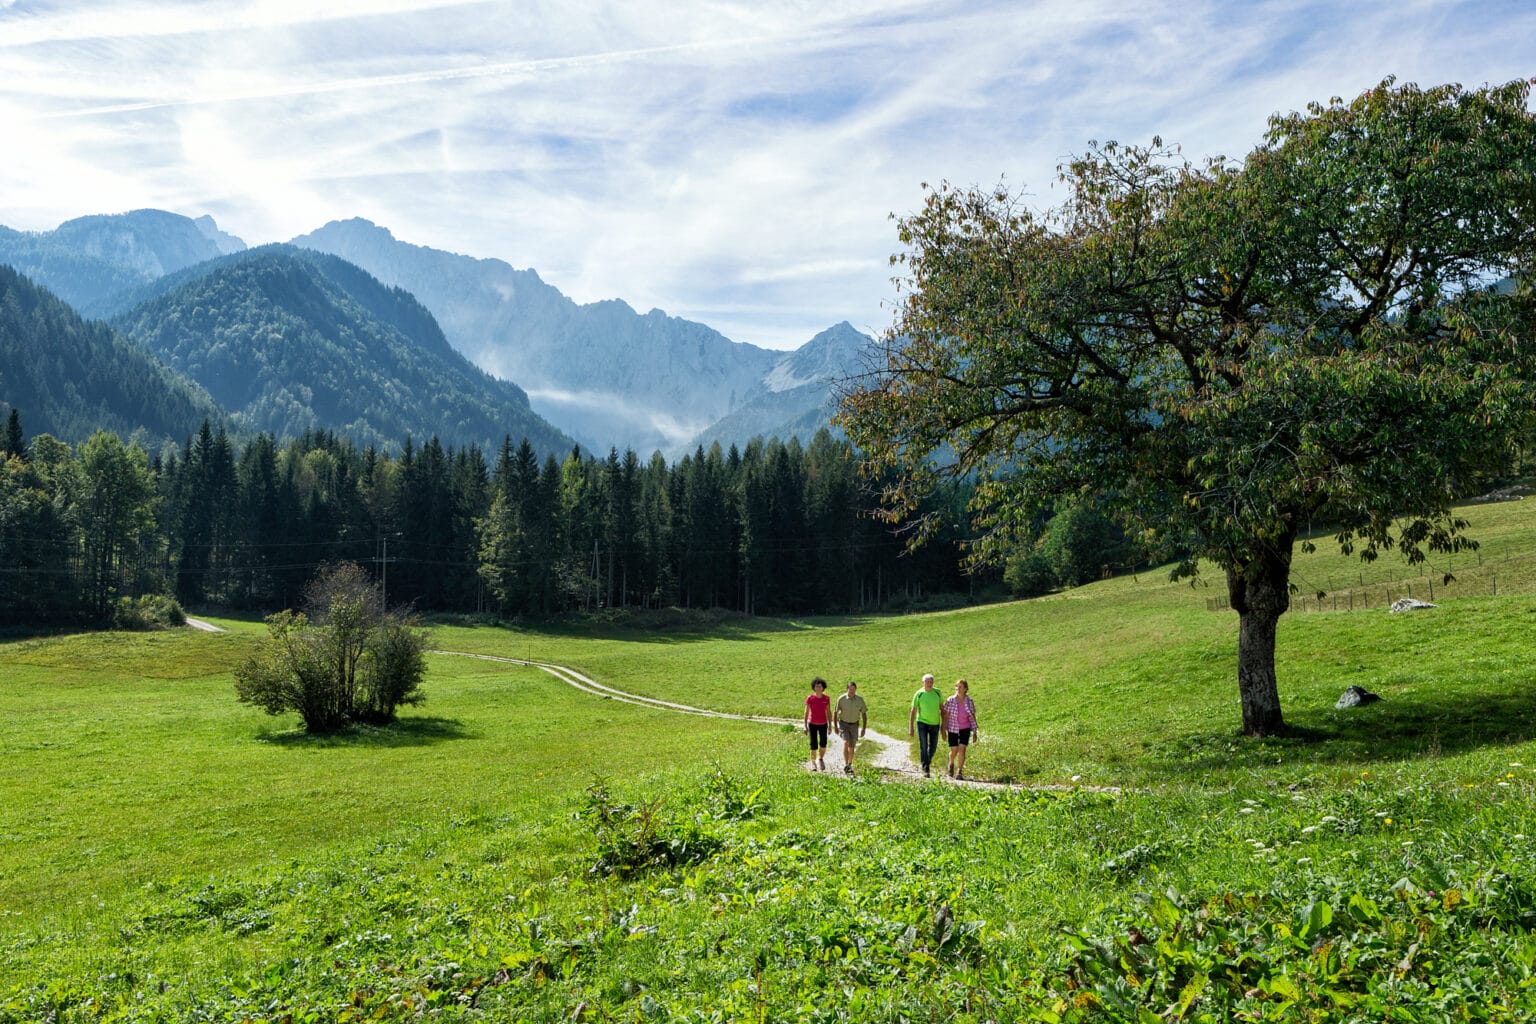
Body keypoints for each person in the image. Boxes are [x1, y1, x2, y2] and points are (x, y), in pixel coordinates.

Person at [943, 678, 980, 779]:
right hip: (952, 728)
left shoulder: (969, 701)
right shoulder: (950, 700)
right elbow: (945, 715)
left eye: (960, 687)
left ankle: (959, 771)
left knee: (962, 749)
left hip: (965, 728)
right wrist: (943, 729)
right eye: (957, 687)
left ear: (965, 689)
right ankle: (951, 764)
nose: (958, 689)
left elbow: (972, 716)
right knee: (954, 750)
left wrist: (975, 732)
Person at [908, 673, 943, 777]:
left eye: (931, 682)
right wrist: (911, 727)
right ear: (923, 683)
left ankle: (926, 762)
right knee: (923, 745)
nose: (929, 684)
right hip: (922, 723)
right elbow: (913, 711)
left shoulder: (937, 692)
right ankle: (925, 768)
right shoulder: (919, 694)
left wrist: (944, 725)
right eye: (927, 682)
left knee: (933, 746)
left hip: (935, 723)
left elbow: (942, 708)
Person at [834, 680, 868, 774]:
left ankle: (849, 764)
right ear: (847, 689)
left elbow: (864, 714)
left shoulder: (860, 700)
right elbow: (835, 712)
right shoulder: (841, 699)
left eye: (853, 689)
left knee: (852, 746)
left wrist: (864, 728)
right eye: (850, 689)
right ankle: (845, 763)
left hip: (854, 724)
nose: (852, 691)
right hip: (844, 724)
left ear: (855, 690)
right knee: (845, 742)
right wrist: (835, 726)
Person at [803, 677, 831, 771]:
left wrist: (830, 726)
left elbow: (828, 712)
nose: (818, 688)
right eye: (816, 686)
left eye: (820, 686)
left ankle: (821, 758)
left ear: (823, 688)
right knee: (813, 744)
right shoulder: (810, 698)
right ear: (814, 687)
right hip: (812, 724)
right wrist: (805, 726)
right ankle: (813, 763)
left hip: (823, 724)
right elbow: (806, 712)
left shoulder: (826, 698)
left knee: (823, 744)